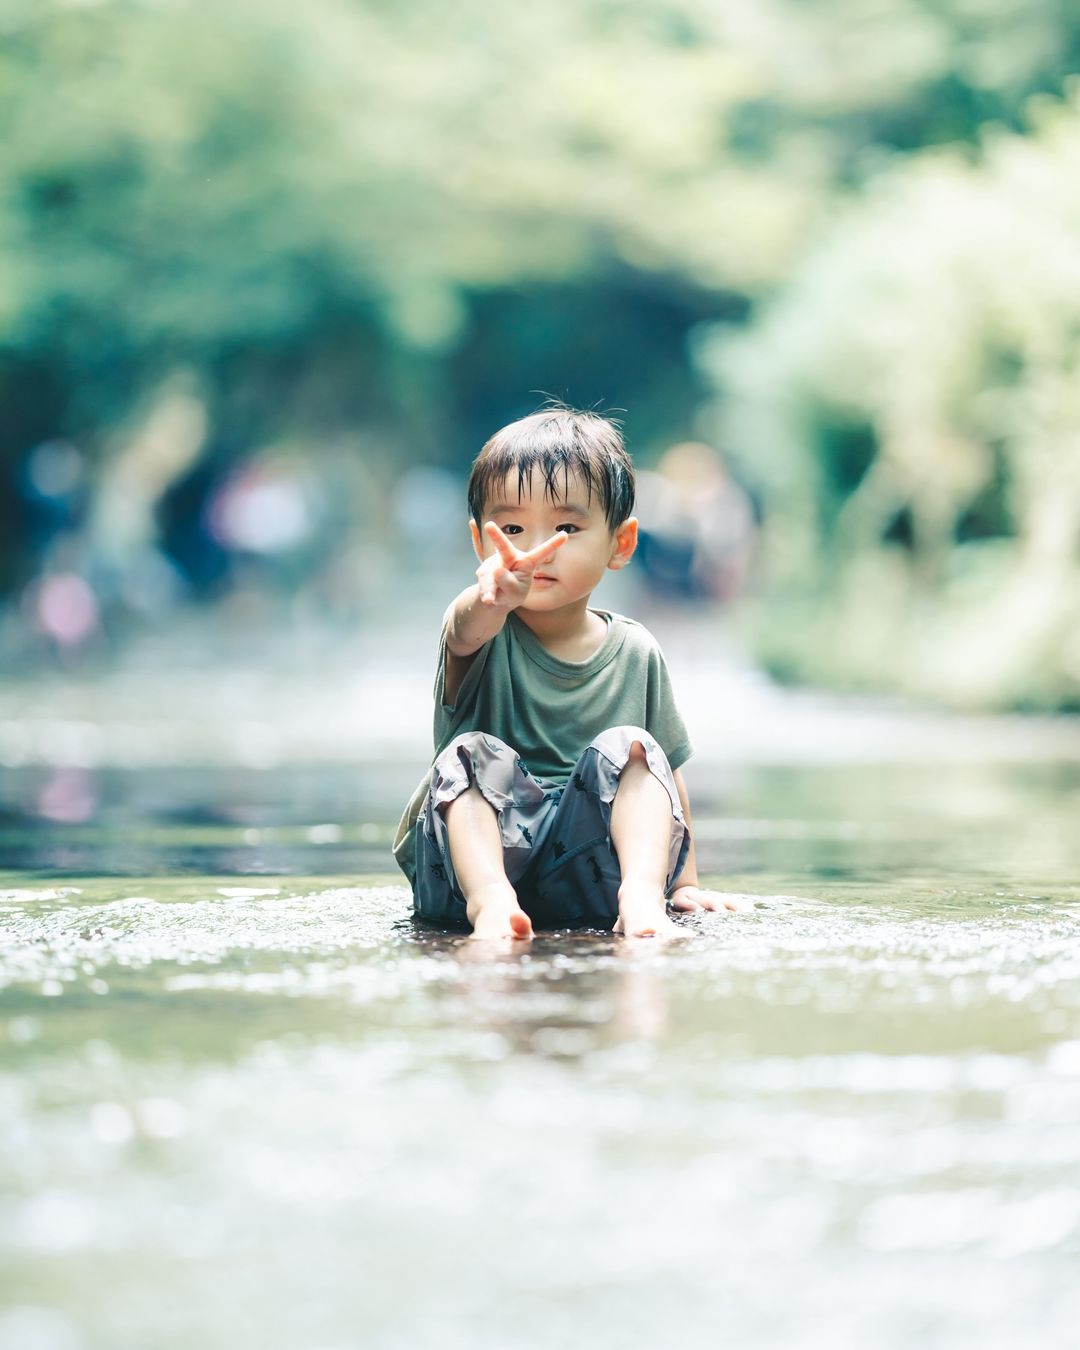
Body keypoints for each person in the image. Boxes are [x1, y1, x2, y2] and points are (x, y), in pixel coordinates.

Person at [393, 407, 744, 940]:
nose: (535, 551)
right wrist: (492, 596)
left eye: (566, 527)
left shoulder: (637, 650)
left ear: (620, 544)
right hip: (467, 875)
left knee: (636, 746)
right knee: (468, 752)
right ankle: (494, 907)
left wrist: (683, 883)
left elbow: (665, 774)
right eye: (511, 528)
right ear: (479, 544)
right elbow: (467, 625)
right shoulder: (480, 628)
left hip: (588, 869)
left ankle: (642, 900)